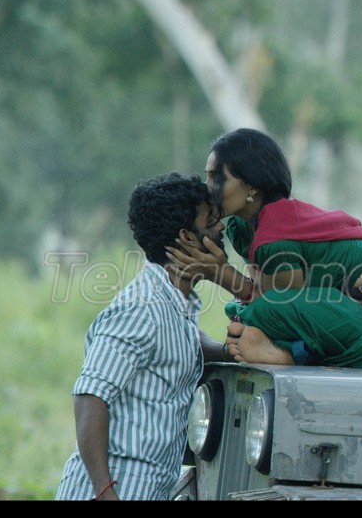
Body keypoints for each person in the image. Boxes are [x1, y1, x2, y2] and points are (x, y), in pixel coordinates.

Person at [166, 128, 362, 370]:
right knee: (243, 312)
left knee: (260, 311)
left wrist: (219, 273)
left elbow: (279, 303)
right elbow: (269, 294)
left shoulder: (276, 235)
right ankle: (286, 351)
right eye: (207, 175)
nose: (208, 187)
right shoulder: (240, 227)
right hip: (350, 305)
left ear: (253, 186)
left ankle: (290, 357)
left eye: (217, 177)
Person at [55, 172, 232, 501]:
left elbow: (185, 342)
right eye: (210, 221)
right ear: (186, 237)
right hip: (118, 488)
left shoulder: (175, 305)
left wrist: (226, 351)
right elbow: (90, 397)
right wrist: (105, 492)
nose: (220, 228)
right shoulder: (141, 309)